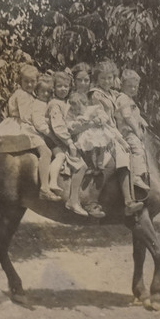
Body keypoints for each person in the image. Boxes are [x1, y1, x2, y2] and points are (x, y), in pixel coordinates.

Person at [0, 65, 61, 201]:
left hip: (24, 125)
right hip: (21, 126)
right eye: (26, 81)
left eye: (32, 81)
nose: (29, 84)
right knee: (46, 152)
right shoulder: (22, 95)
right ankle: (44, 188)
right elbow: (26, 117)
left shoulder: (29, 95)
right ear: (21, 81)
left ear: (37, 82)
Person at [88, 61, 144, 215]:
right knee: (108, 162)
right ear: (97, 79)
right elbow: (104, 119)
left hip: (112, 133)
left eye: (110, 78)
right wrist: (120, 139)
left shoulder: (113, 94)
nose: (107, 81)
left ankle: (128, 200)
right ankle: (92, 201)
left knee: (124, 158)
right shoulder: (96, 94)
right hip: (100, 132)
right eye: (103, 78)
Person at [46, 71, 104, 218]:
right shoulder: (55, 104)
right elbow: (59, 127)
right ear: (53, 88)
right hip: (58, 140)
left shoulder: (64, 102)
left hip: (63, 138)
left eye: (66, 86)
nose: (63, 89)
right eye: (59, 86)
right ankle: (73, 200)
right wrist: (70, 142)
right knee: (81, 166)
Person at [67, 92, 129, 173]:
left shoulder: (92, 109)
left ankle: (100, 163)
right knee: (88, 148)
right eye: (74, 109)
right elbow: (70, 124)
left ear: (85, 104)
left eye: (79, 109)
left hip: (97, 131)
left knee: (102, 143)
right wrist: (77, 123)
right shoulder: (74, 114)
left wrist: (99, 119)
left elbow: (104, 116)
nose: (77, 111)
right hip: (87, 134)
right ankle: (91, 166)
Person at [115, 69, 150, 192]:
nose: (133, 89)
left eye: (135, 87)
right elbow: (127, 117)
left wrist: (145, 125)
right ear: (122, 85)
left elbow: (137, 117)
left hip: (132, 131)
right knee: (137, 150)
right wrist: (137, 131)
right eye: (129, 86)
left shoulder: (130, 100)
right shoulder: (123, 99)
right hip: (127, 133)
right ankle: (136, 176)